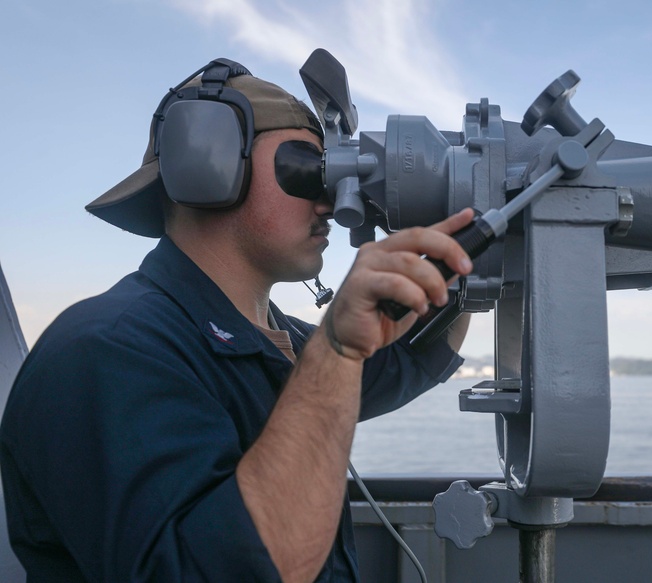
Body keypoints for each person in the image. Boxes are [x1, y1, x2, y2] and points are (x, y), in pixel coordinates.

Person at [0, 57, 474, 582]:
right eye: (309, 167)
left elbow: (409, 359)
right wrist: (334, 350)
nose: (329, 198)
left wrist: (472, 240)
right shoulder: (106, 350)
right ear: (207, 165)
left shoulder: (274, 340)